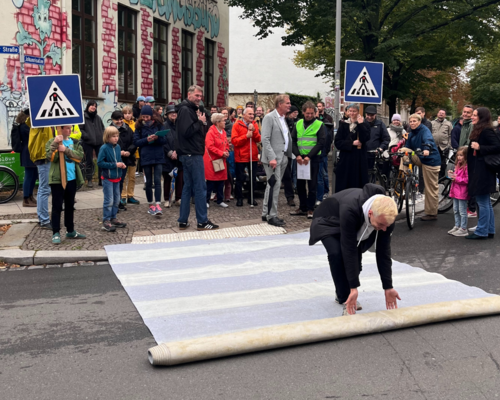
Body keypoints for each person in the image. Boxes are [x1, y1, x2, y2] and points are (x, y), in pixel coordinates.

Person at [309, 184, 401, 316]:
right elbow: (349, 247)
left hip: (354, 222)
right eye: (381, 225)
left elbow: (383, 252)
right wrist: (353, 288)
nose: (384, 229)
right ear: (370, 213)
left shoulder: (386, 217)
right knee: (337, 254)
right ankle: (344, 296)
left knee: (355, 264)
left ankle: (345, 291)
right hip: (328, 220)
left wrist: (388, 286)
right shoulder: (350, 209)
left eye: (387, 226)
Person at [176, 85, 219, 231]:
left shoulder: (188, 109)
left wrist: (200, 121)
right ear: (189, 94)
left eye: (201, 96)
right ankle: (202, 221)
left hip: (189, 153)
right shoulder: (186, 110)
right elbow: (186, 131)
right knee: (200, 187)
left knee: (188, 187)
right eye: (196, 95)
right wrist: (200, 122)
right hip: (192, 154)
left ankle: (183, 220)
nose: (199, 98)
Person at [46, 125, 86, 244]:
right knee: (57, 206)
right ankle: (56, 232)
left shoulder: (74, 142)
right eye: (67, 128)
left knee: (70, 205)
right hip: (57, 179)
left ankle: (70, 230)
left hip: (71, 178)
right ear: (60, 128)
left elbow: (79, 156)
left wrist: (66, 150)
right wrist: (56, 144)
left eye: (70, 128)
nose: (70, 130)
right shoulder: (51, 141)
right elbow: (50, 156)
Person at [466, 107, 500, 239]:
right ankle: (489, 229)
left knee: (482, 201)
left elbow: (498, 146)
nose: (472, 117)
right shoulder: (481, 129)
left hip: (483, 170)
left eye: (475, 115)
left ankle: (482, 231)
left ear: (482, 117)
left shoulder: (486, 130)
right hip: (480, 169)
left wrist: (480, 148)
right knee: (485, 201)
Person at [400, 113, 441, 221]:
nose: (412, 123)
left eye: (415, 121)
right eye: (411, 121)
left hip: (430, 160)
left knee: (430, 188)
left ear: (419, 122)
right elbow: (408, 146)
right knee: (403, 152)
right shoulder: (411, 132)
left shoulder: (424, 130)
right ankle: (405, 177)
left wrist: (427, 148)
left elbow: (428, 140)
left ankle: (431, 213)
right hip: (419, 157)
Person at [261, 94, 293, 227]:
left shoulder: (282, 118)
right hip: (273, 159)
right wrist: (272, 157)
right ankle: (271, 215)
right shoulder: (270, 118)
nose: (289, 105)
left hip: (283, 157)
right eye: (287, 103)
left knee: (272, 185)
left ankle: (265, 212)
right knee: (275, 186)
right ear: (280, 104)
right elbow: (265, 139)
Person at [290, 101, 326, 218]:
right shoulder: (298, 123)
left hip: (313, 159)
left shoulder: (319, 125)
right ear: (303, 112)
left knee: (312, 185)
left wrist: (309, 156)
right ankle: (302, 207)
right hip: (300, 159)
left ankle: (310, 209)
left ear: (314, 113)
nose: (309, 115)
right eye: (307, 113)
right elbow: (293, 141)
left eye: (311, 113)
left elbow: (321, 143)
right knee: (300, 185)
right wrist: (297, 155)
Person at [133, 105, 166, 216]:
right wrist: (147, 139)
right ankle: (150, 204)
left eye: (147, 116)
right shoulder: (138, 126)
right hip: (146, 155)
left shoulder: (159, 124)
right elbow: (136, 142)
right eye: (144, 117)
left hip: (158, 155)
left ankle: (157, 204)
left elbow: (164, 139)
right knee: (148, 182)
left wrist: (157, 138)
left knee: (157, 180)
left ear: (151, 116)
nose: (145, 119)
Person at [334, 104, 370, 193]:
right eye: (350, 111)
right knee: (343, 183)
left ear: (358, 112)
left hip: (359, 159)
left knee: (357, 182)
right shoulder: (343, 124)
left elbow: (365, 138)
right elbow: (337, 142)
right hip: (345, 158)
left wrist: (361, 124)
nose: (352, 113)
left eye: (354, 111)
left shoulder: (364, 124)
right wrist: (351, 143)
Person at [97, 127, 128, 232]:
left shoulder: (118, 147)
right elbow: (100, 163)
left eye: (117, 136)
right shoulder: (104, 148)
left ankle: (113, 218)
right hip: (108, 178)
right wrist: (115, 165)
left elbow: (119, 159)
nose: (116, 138)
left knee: (116, 200)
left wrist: (122, 164)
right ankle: (106, 220)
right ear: (108, 137)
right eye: (113, 136)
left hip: (117, 177)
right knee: (109, 200)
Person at [27, 112, 54, 229]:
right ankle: (44, 220)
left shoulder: (45, 120)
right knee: (44, 189)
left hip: (46, 156)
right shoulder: (38, 120)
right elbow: (30, 120)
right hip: (44, 157)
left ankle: (42, 217)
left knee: (43, 188)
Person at [232, 107, 261, 207]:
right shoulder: (237, 125)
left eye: (253, 114)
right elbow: (234, 141)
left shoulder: (254, 124)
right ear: (244, 115)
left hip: (252, 156)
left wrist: (255, 132)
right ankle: (239, 198)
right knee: (240, 179)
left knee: (252, 179)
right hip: (241, 156)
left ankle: (251, 198)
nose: (252, 116)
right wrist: (246, 136)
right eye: (250, 114)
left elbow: (258, 139)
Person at [451, 105, 476, 217]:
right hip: (463, 153)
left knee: (467, 180)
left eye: (468, 113)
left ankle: (471, 208)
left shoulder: (470, 125)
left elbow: (469, 140)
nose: (465, 114)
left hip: (467, 155)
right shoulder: (463, 124)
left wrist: (462, 152)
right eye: (464, 112)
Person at [109, 110, 136, 210]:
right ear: (113, 119)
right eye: (117, 120)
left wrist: (129, 151)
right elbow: (107, 144)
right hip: (114, 160)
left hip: (126, 159)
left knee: (120, 181)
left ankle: (118, 201)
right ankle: (113, 203)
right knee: (113, 182)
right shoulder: (109, 130)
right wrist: (119, 152)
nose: (120, 121)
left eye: (121, 119)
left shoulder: (128, 129)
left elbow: (134, 141)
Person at [204, 113, 230, 208]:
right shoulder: (210, 133)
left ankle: (220, 199)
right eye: (223, 120)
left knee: (221, 181)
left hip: (221, 160)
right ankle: (206, 200)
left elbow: (226, 144)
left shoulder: (223, 132)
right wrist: (221, 153)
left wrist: (226, 151)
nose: (225, 122)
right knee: (210, 182)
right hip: (212, 160)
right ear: (217, 122)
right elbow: (210, 146)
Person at [15, 109, 38, 207]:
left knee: (33, 176)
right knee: (29, 175)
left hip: (30, 151)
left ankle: (30, 196)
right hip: (27, 152)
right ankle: (26, 199)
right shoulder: (24, 126)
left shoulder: (25, 125)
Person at [79, 101, 104, 188]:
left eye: (95, 106)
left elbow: (103, 128)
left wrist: (102, 136)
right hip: (87, 142)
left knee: (100, 161)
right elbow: (80, 129)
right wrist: (86, 136)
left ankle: (101, 180)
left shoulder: (98, 118)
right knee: (89, 161)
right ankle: (89, 180)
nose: (93, 107)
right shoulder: (83, 117)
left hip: (99, 142)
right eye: (91, 105)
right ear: (88, 106)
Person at [162, 104, 183, 207]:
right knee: (167, 179)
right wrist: (170, 152)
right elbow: (163, 141)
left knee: (180, 179)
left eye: (175, 113)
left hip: (179, 156)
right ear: (167, 115)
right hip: (167, 157)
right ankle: (167, 199)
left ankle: (178, 198)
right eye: (171, 113)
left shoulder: (181, 125)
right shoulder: (164, 125)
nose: (173, 115)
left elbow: (183, 139)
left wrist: (177, 152)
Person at [448, 146, 469, 237]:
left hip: (462, 192)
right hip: (455, 191)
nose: (459, 157)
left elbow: (467, 180)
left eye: (461, 155)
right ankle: (457, 225)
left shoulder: (466, 167)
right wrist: (452, 175)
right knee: (455, 210)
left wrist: (457, 178)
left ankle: (463, 228)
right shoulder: (457, 165)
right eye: (458, 155)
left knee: (462, 211)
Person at [121, 106, 140, 205]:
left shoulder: (135, 124)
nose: (127, 115)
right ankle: (123, 195)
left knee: (132, 176)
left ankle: (130, 195)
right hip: (124, 153)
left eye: (129, 113)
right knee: (123, 176)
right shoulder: (122, 124)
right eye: (125, 113)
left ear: (132, 114)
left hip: (134, 154)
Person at [364, 105, 390, 175]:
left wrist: (381, 148)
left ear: (375, 115)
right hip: (363, 154)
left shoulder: (380, 124)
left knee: (377, 173)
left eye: (371, 115)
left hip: (375, 154)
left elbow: (386, 139)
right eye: (368, 115)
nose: (369, 117)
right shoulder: (362, 124)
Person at [282, 106, 300, 207]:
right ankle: (271, 197)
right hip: (276, 152)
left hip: (287, 152)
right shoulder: (274, 121)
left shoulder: (291, 123)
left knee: (287, 175)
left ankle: (290, 197)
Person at [431, 109, 453, 178]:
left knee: (443, 163)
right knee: (433, 162)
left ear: (445, 115)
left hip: (444, 147)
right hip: (434, 147)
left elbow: (450, 135)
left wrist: (449, 146)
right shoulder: (432, 123)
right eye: (440, 113)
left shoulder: (448, 124)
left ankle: (441, 178)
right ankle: (434, 177)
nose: (441, 114)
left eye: (443, 113)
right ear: (437, 114)